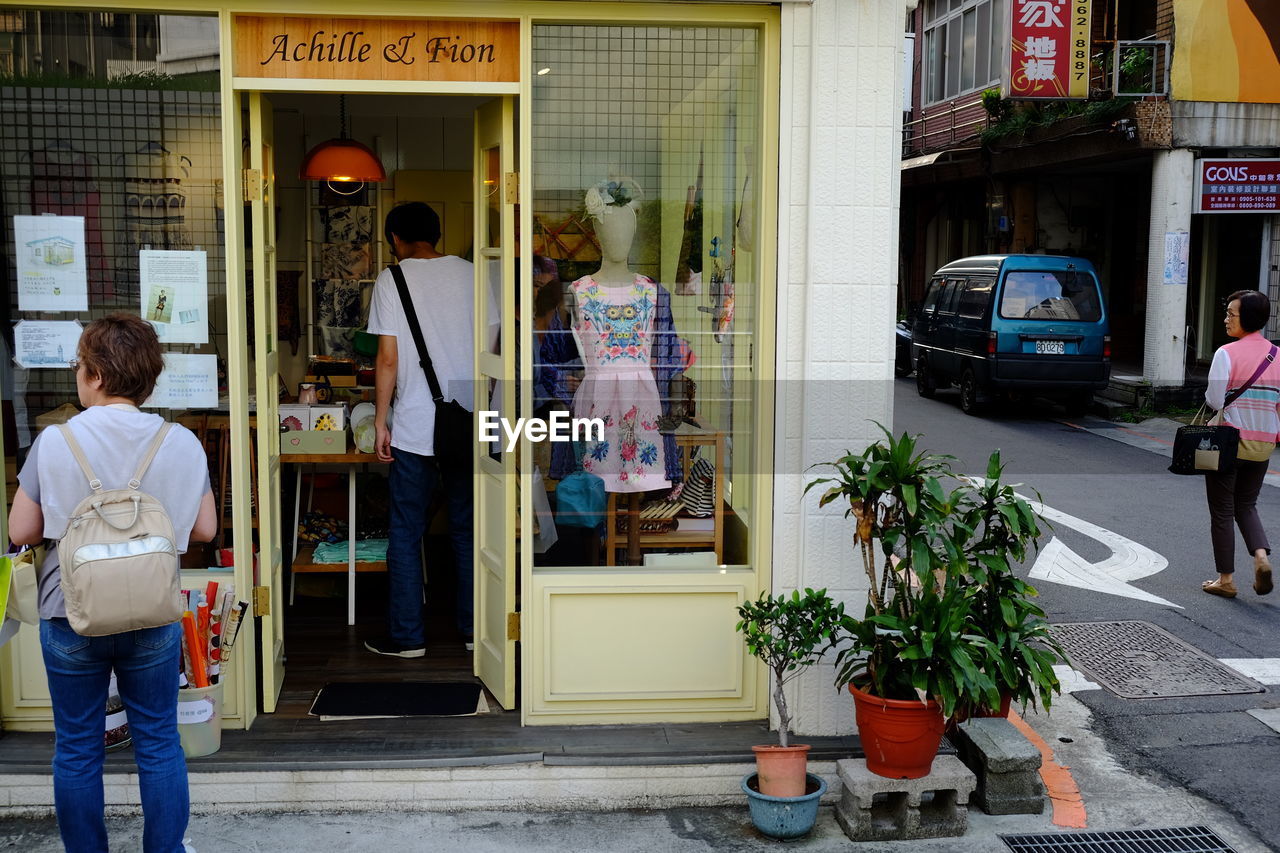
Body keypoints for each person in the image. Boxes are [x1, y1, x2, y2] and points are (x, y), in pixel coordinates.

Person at [7, 313, 217, 853]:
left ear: (96, 374)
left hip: (70, 613)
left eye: (80, 365)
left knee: (77, 747)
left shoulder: (55, 442)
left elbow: (20, 530)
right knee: (159, 744)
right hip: (152, 611)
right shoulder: (182, 442)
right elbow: (206, 529)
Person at [364, 202, 481, 657]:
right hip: (470, 423)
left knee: (407, 531)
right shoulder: (474, 273)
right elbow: (493, 346)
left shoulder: (391, 279)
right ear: (436, 234)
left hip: (415, 426)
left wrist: (379, 420)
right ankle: (477, 634)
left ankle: (408, 637)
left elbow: (388, 358)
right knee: (469, 531)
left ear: (396, 239)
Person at [1201, 289, 1280, 598]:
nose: (1226, 319)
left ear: (1246, 318)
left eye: (1231, 314)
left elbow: (1214, 400)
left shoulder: (1226, 353)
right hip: (1263, 444)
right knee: (1246, 505)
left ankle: (1226, 579)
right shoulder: (1277, 355)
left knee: (1222, 510)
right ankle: (1261, 557)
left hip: (1229, 442)